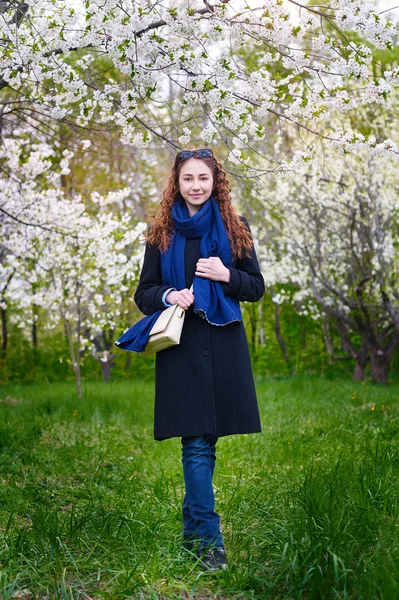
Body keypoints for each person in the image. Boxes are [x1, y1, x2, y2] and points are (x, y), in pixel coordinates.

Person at [133, 148, 265, 571]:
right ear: (177, 182)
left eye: (203, 178)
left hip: (224, 344)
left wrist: (227, 276)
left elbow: (256, 287)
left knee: (206, 441)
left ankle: (192, 530)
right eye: (188, 178)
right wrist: (170, 295)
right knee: (195, 442)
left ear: (215, 182)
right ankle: (210, 542)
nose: (196, 186)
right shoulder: (161, 233)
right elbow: (144, 293)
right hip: (182, 346)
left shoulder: (235, 227)